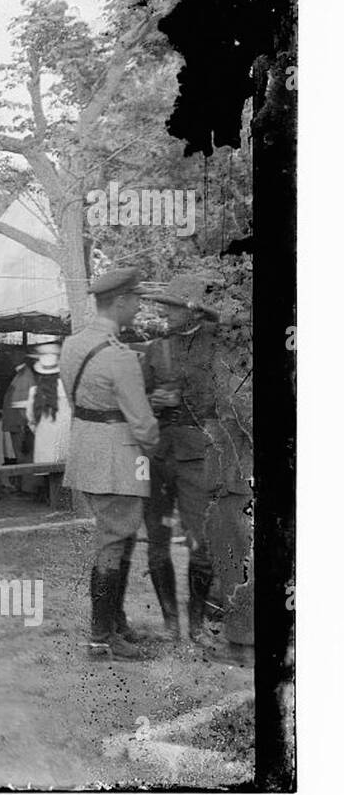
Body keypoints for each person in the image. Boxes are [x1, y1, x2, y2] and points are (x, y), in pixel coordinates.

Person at [141, 273, 250, 644]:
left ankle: (198, 625)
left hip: (198, 456)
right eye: (165, 306)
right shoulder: (156, 350)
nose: (165, 313)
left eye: (173, 307)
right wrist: (154, 401)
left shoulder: (217, 348)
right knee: (156, 541)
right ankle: (171, 624)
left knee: (199, 542)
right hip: (157, 456)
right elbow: (138, 401)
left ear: (192, 312)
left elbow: (230, 401)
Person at [61, 268, 160, 660]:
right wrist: (154, 447)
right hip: (119, 457)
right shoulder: (120, 357)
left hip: (87, 449)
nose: (138, 307)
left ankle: (115, 624)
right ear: (119, 301)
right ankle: (102, 637)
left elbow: (77, 402)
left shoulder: (73, 344)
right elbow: (143, 423)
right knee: (113, 542)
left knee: (117, 538)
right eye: (135, 299)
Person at [25, 344, 71, 464]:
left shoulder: (34, 392)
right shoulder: (68, 389)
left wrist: (42, 431)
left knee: (47, 476)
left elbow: (31, 419)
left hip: (44, 445)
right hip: (65, 443)